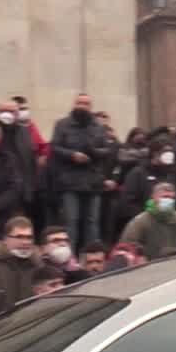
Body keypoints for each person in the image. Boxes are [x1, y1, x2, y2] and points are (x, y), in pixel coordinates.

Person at [50, 94, 116, 248]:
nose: (82, 106)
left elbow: (107, 150)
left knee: (92, 221)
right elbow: (55, 147)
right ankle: (69, 256)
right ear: (74, 104)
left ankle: (92, 256)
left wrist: (93, 152)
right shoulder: (62, 124)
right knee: (71, 221)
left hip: (92, 181)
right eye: (79, 103)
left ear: (90, 107)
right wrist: (72, 155)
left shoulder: (98, 127)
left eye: (86, 103)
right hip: (70, 180)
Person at [121, 182, 176, 259]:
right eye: (165, 197)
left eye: (172, 198)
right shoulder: (140, 222)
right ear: (154, 197)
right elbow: (127, 248)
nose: (169, 201)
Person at [0, 216, 43, 314]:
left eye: (29, 237)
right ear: (5, 239)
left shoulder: (40, 268)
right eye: (19, 237)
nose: (25, 242)